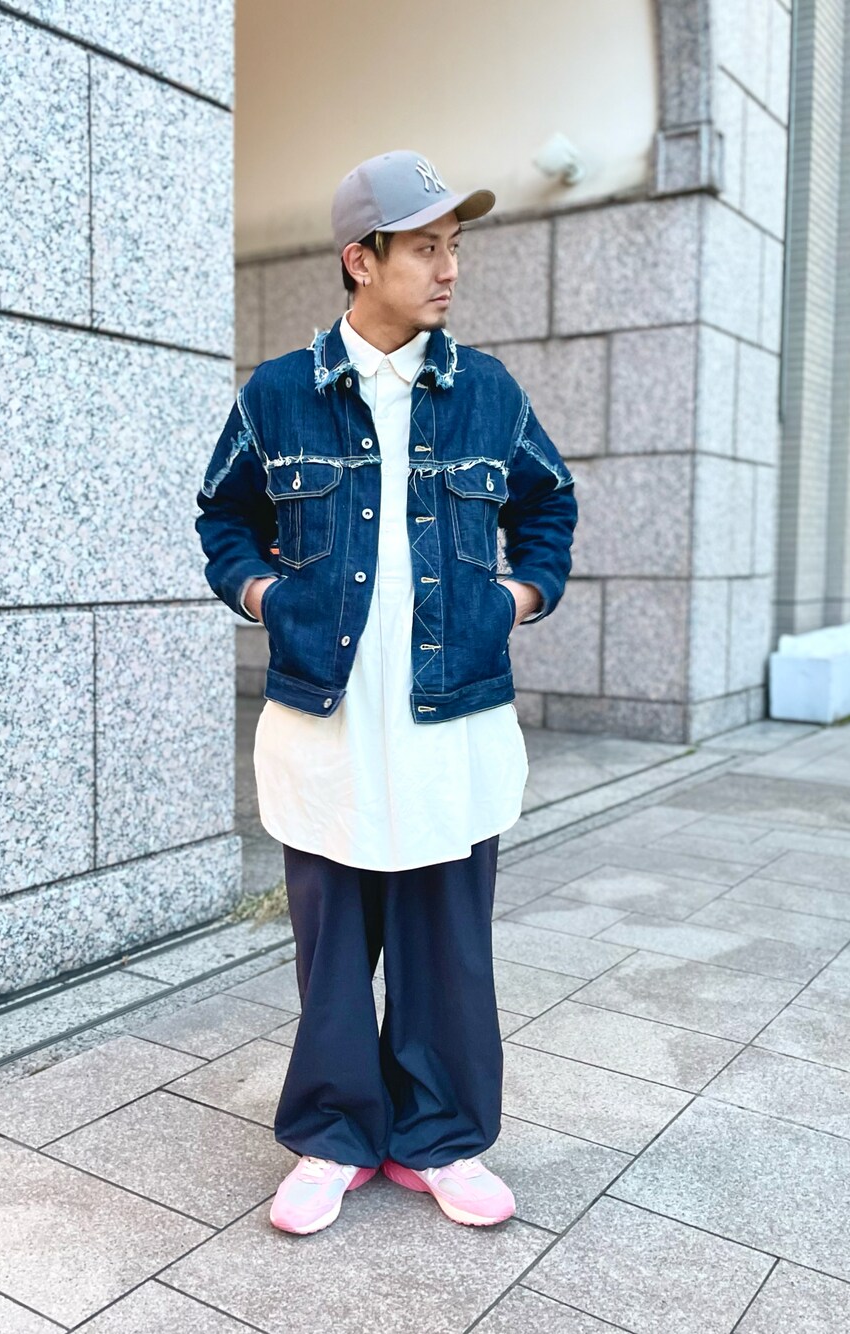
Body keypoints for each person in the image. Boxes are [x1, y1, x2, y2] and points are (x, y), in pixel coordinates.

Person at [195, 149, 577, 1235]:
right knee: (331, 948)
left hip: (453, 714)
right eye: (425, 248)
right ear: (359, 260)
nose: (450, 268)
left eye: (454, 246)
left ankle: (439, 1138)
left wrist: (518, 596)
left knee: (446, 940)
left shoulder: (489, 392)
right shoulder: (278, 395)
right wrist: (263, 594)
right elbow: (223, 515)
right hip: (325, 719)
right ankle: (333, 1136)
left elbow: (549, 503)